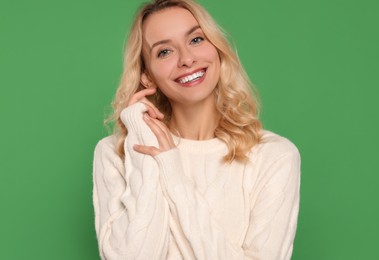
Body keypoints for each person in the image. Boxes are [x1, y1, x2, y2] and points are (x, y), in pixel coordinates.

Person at [92, 0, 301, 259]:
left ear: (216, 48)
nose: (187, 59)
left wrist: (173, 171)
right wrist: (143, 141)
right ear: (147, 75)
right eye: (164, 52)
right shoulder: (116, 153)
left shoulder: (273, 156)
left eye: (196, 40)